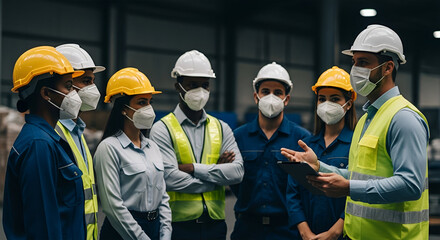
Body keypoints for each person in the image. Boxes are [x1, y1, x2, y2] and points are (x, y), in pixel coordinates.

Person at [281, 24, 430, 239]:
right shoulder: (367, 120)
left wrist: (350, 188)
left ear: (388, 68)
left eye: (363, 63)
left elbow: (410, 184)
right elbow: (358, 175)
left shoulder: (403, 118)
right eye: (354, 62)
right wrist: (317, 165)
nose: (355, 70)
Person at [150, 50, 244, 240]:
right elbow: (169, 177)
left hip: (215, 226)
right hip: (177, 225)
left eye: (205, 85)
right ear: (178, 86)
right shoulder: (162, 129)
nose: (200, 91)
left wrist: (192, 168)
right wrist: (217, 176)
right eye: (192, 85)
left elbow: (237, 172)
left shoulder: (221, 127)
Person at [3, 46, 86, 239]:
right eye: (68, 86)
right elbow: (44, 228)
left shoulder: (47, 139)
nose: (74, 93)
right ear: (46, 93)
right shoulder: (39, 145)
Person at [230, 62, 311, 240]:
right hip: (246, 229)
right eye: (265, 91)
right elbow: (235, 183)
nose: (271, 97)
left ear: (286, 99)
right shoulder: (238, 137)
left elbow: (305, 188)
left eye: (278, 92)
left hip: (287, 230)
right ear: (256, 97)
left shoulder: (302, 139)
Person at [93, 67, 172, 240]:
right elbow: (113, 206)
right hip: (122, 232)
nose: (149, 108)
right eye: (142, 102)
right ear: (123, 108)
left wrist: (166, 233)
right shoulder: (109, 148)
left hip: (154, 227)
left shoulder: (153, 147)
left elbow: (163, 197)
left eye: (150, 102)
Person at [286, 66, 357, 240]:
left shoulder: (357, 144)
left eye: (334, 99)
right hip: (307, 235)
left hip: (343, 235)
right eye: (322, 99)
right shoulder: (307, 146)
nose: (327, 105)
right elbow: (292, 193)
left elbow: (358, 191)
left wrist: (335, 232)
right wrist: (305, 232)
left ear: (348, 104)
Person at [55, 43, 105, 240]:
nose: (92, 89)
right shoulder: (54, 134)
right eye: (85, 81)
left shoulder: (77, 131)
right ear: (66, 82)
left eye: (93, 81)